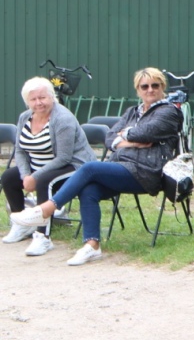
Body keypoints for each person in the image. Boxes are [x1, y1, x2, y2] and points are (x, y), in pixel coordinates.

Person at [11, 67, 183, 266]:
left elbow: (147, 131)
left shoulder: (170, 111)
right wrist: (130, 139)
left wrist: (126, 136)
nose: (150, 90)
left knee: (90, 168)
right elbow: (109, 138)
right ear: (138, 89)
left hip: (146, 172)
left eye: (155, 85)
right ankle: (92, 245)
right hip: (121, 168)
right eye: (145, 86)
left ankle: (45, 211)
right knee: (88, 188)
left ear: (163, 87)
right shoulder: (132, 112)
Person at [2, 77, 97, 257]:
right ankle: (22, 224)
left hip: (74, 167)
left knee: (45, 181)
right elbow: (20, 151)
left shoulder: (63, 119)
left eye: (43, 98)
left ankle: (42, 236)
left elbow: (63, 157)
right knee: (8, 177)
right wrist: (25, 176)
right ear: (27, 101)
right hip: (40, 166)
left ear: (52, 97)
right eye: (33, 99)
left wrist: (35, 177)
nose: (38, 103)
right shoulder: (25, 117)